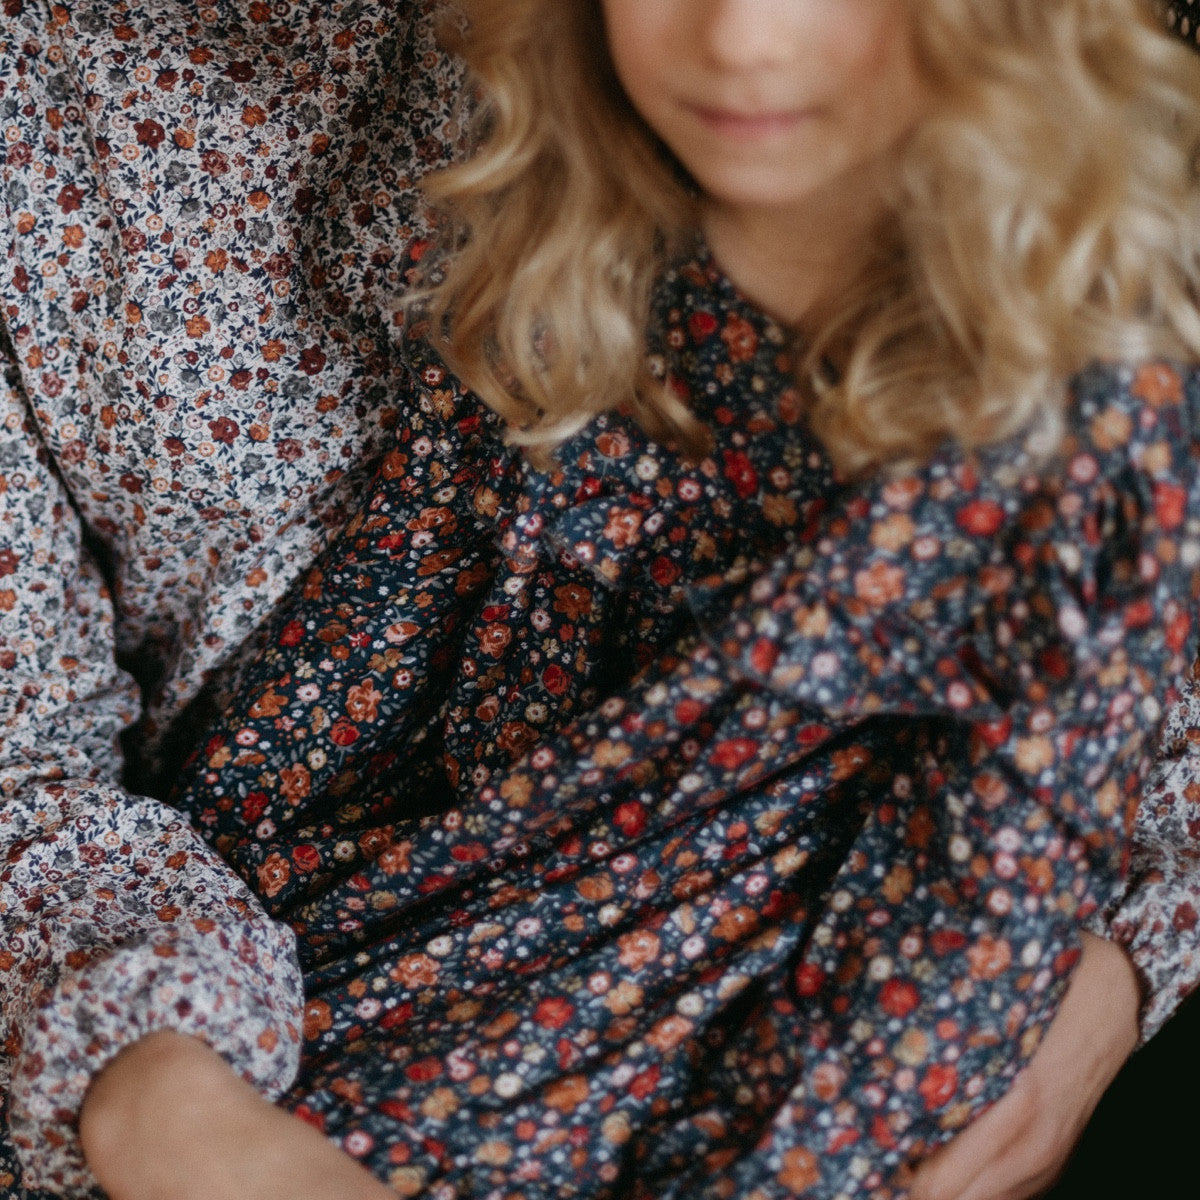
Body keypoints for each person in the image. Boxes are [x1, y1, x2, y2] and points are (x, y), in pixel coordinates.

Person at [0, 2, 1196, 1199]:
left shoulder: (1035, 288)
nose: (744, 41)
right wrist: (163, 1104)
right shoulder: (579, 192)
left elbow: (1113, 670)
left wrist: (1116, 942)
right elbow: (28, 770)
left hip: (793, 963)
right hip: (241, 941)